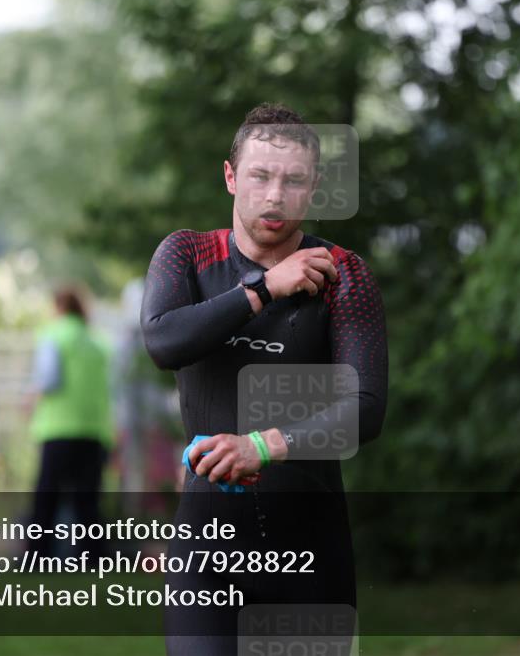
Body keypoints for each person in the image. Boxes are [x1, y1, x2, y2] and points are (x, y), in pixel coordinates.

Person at [141, 102, 388, 655]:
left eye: (294, 180)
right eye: (260, 176)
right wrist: (264, 288)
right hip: (206, 551)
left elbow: (367, 407)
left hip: (310, 552)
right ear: (231, 177)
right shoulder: (187, 254)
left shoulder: (343, 272)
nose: (275, 195)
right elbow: (163, 341)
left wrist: (264, 445)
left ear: (314, 187)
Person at [25, 287, 115, 557]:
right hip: (94, 430)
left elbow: (48, 378)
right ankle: (93, 557)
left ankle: (38, 556)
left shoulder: (53, 335)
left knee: (47, 499)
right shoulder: (99, 342)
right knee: (88, 501)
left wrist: (29, 400)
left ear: (58, 306)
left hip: (58, 428)